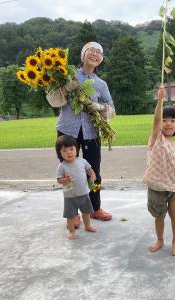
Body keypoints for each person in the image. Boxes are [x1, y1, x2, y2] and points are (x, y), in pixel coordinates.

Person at [54, 41, 115, 225]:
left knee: (93, 171)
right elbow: (53, 99)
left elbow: (111, 109)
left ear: (101, 59)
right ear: (83, 55)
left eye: (99, 52)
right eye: (91, 51)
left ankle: (95, 209)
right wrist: (66, 89)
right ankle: (73, 213)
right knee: (69, 173)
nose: (95, 54)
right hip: (67, 131)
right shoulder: (68, 76)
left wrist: (96, 106)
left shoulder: (101, 84)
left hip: (91, 133)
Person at [143, 85, 175, 256]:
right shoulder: (156, 139)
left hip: (174, 186)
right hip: (156, 186)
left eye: (173, 120)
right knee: (159, 216)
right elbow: (155, 122)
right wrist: (160, 100)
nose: (168, 123)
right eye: (165, 119)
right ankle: (160, 239)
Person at [55, 135, 97, 240]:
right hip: (70, 196)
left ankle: (87, 226)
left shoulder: (82, 161)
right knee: (70, 216)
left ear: (76, 149)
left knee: (86, 212)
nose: (69, 152)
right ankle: (71, 231)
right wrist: (66, 179)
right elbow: (59, 180)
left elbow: (89, 169)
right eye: (64, 150)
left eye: (71, 149)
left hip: (84, 193)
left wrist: (92, 174)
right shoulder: (62, 166)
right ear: (59, 153)